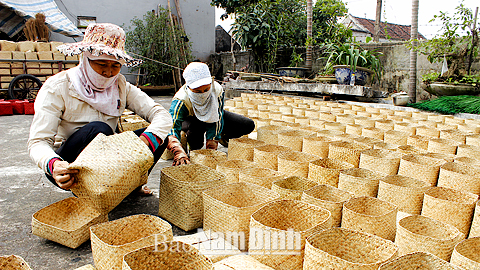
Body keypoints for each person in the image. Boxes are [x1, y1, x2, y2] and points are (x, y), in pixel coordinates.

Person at [27, 23, 173, 195]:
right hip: (71, 163)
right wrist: (54, 164)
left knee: (160, 136)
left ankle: (128, 186)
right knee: (99, 129)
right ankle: (88, 188)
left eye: (115, 66)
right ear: (86, 60)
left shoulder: (120, 85)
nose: (109, 73)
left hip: (109, 160)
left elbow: (161, 114)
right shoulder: (58, 86)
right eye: (102, 64)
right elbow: (38, 142)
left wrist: (145, 141)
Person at [165, 62, 255, 165]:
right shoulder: (181, 100)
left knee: (247, 124)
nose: (203, 94)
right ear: (189, 87)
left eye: (206, 89)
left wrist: (213, 139)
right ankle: (189, 136)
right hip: (191, 120)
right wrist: (177, 150)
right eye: (197, 91)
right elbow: (172, 125)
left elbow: (218, 116)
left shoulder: (217, 90)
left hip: (212, 115)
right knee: (196, 146)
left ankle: (222, 137)